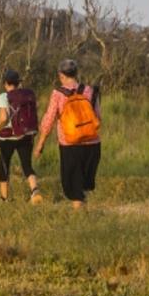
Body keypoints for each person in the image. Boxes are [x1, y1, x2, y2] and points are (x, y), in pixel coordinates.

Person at [34, 59, 101, 210]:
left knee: (74, 185)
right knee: (84, 185)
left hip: (70, 145)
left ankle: (78, 220)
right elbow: (98, 117)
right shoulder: (89, 90)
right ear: (76, 73)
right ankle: (83, 214)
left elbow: (49, 120)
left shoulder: (58, 94)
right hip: (92, 143)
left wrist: (40, 144)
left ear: (60, 75)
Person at [0, 68, 42, 203]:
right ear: (18, 83)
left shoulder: (3, 97)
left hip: (7, 137)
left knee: (4, 166)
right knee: (26, 164)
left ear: (6, 83)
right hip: (26, 134)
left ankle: (4, 199)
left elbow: (3, 118)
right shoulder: (28, 94)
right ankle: (34, 190)